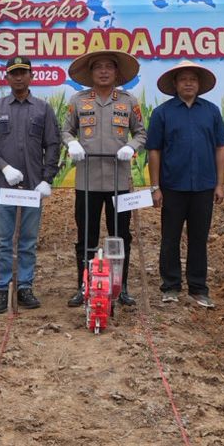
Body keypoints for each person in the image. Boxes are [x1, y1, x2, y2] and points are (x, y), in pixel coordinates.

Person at [61, 49, 146, 309]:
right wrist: (72, 143)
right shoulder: (78, 100)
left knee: (120, 237)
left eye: (109, 66)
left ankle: (120, 286)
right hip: (87, 181)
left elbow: (141, 133)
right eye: (98, 67)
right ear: (91, 73)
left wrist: (131, 147)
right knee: (86, 236)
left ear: (117, 72)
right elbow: (66, 131)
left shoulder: (128, 101)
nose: (104, 71)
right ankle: (84, 285)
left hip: (119, 182)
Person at [0, 57, 59, 314]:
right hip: (4, 185)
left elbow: (53, 145)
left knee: (27, 240)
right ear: (7, 77)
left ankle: (24, 286)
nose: (19, 77)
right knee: (4, 239)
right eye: (14, 73)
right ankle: (3, 288)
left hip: (33, 186)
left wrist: (47, 179)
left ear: (31, 76)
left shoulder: (43, 109)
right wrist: (4, 167)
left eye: (23, 72)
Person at [146, 61, 224, 308]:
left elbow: (220, 148)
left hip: (204, 185)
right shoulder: (162, 113)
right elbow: (154, 151)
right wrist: (155, 187)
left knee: (199, 238)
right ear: (175, 84)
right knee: (170, 238)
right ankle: (170, 286)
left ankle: (198, 288)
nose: (188, 83)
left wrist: (220, 183)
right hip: (172, 185)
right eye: (183, 79)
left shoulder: (211, 111)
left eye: (193, 79)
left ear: (199, 83)